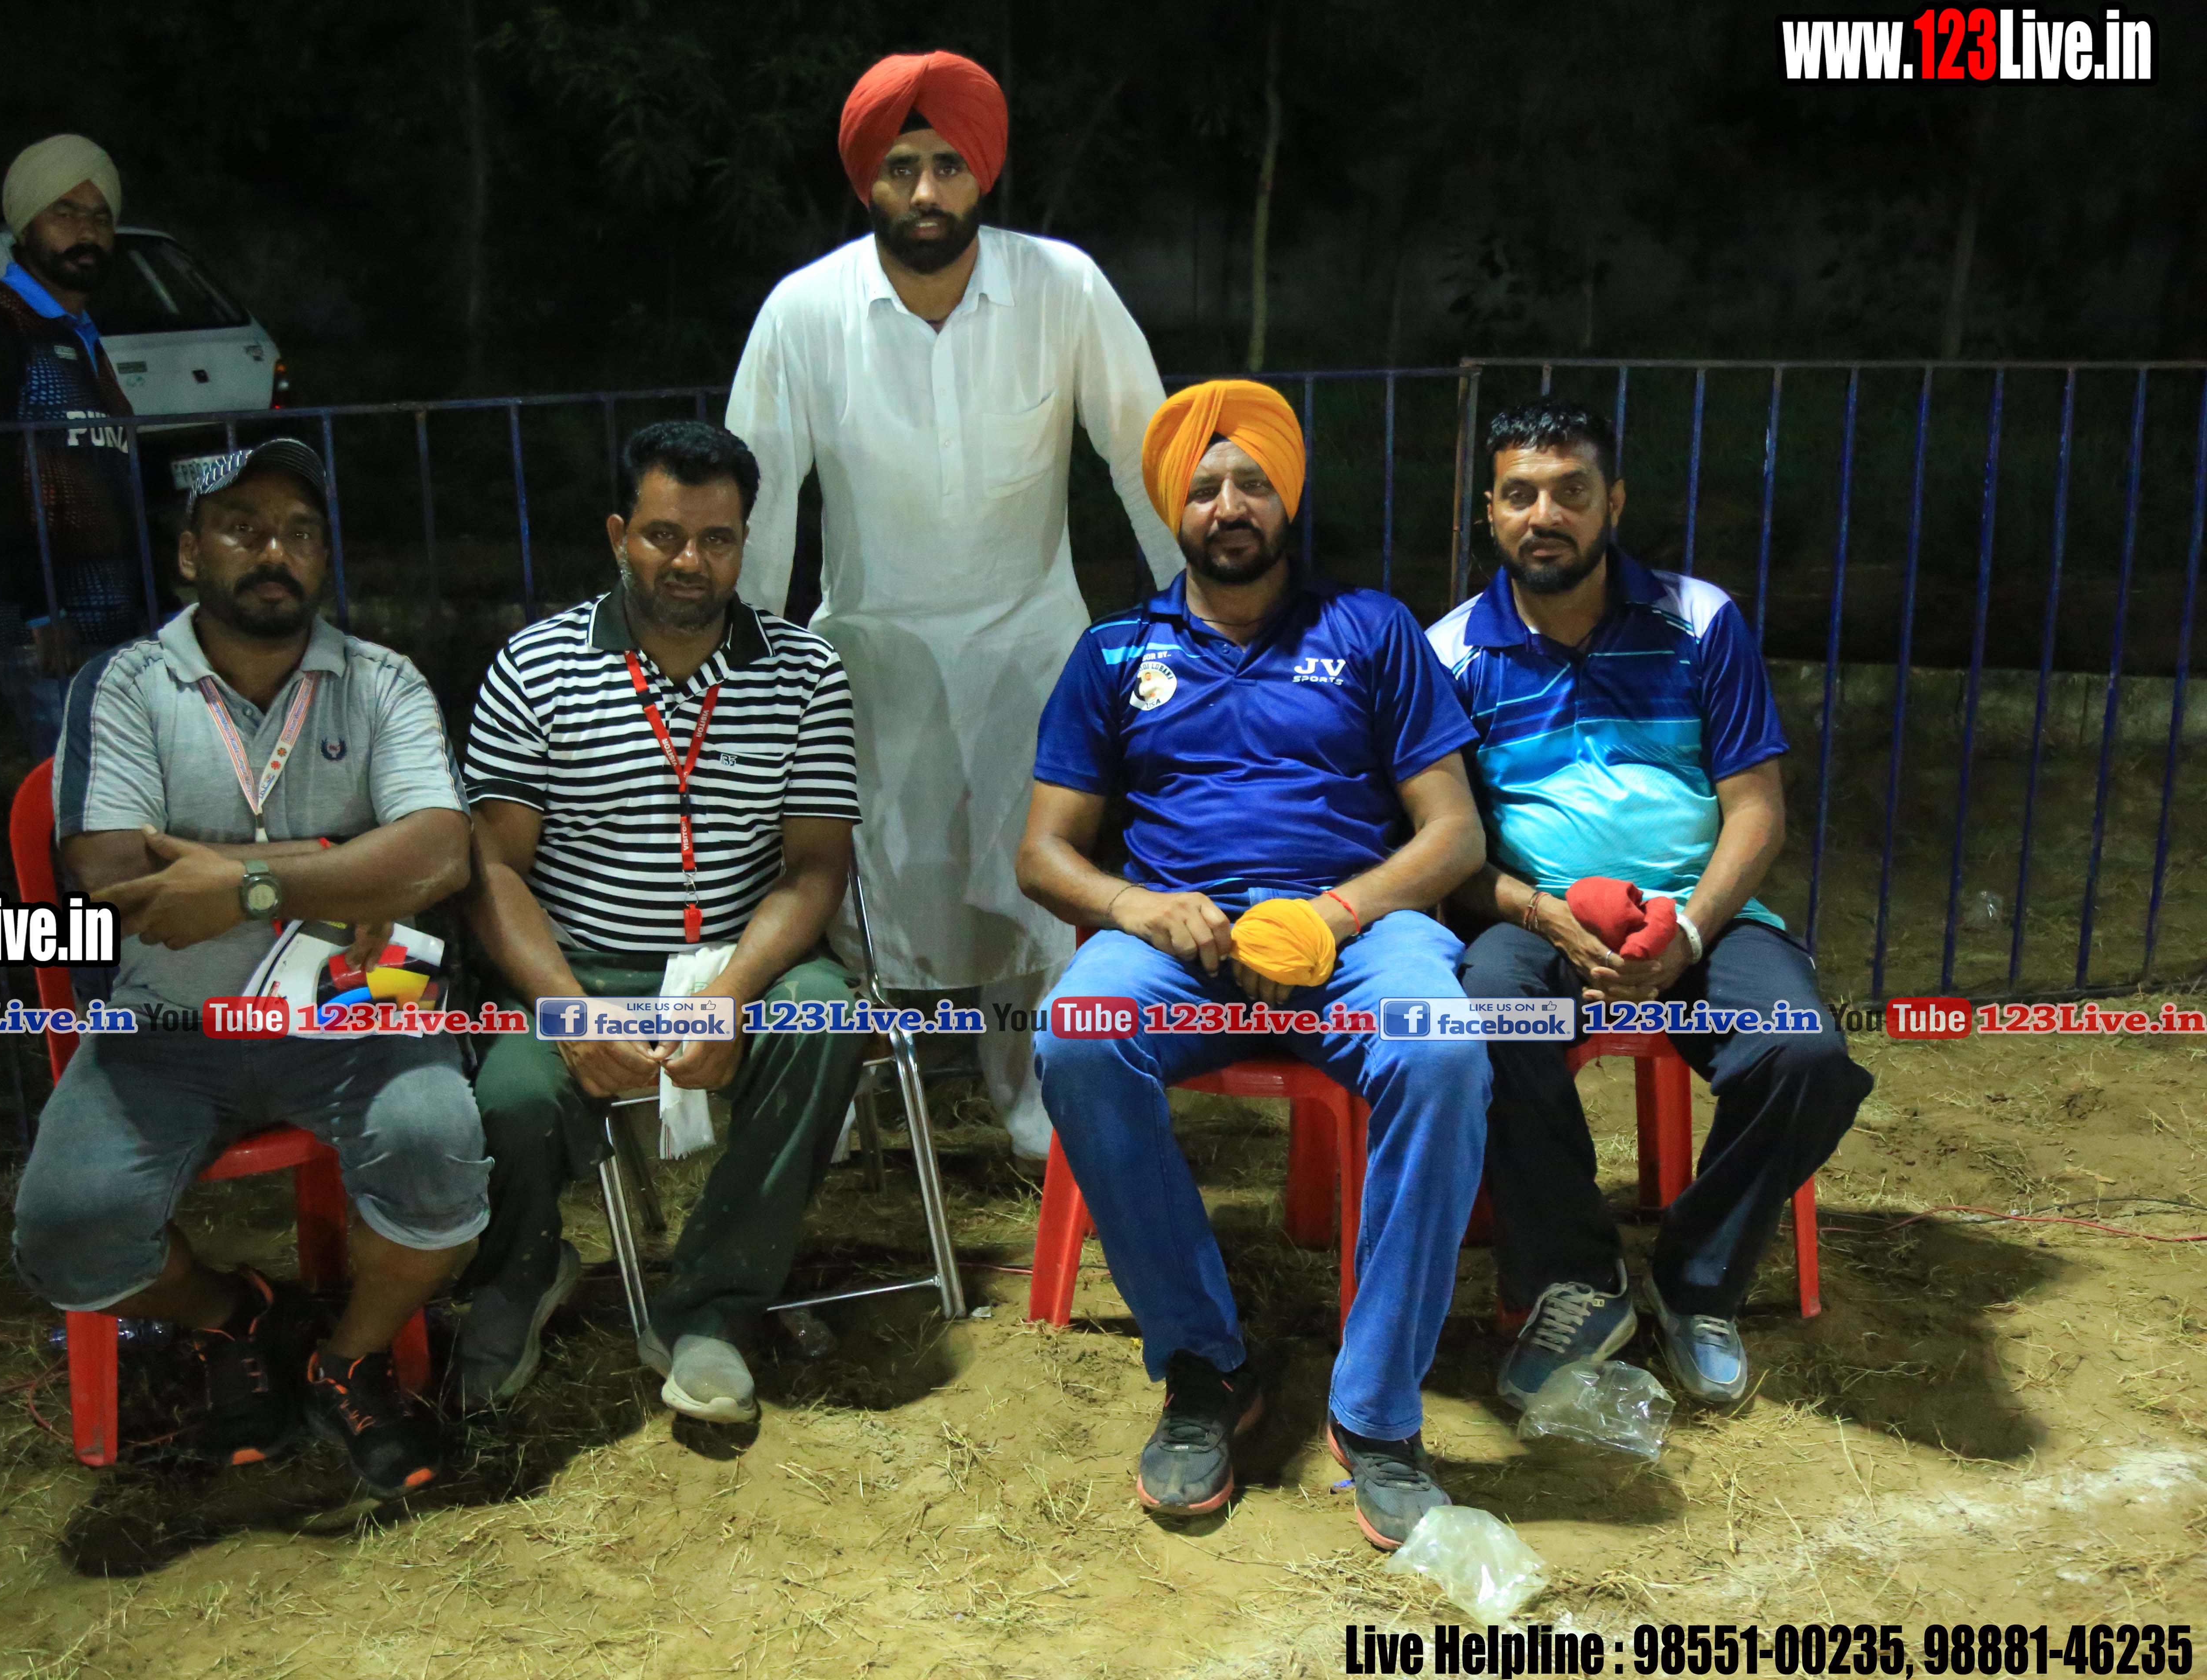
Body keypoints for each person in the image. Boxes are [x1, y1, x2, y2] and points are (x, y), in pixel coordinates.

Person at [1019, 380, 1492, 1549]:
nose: (1229, 505)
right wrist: (1137, 906)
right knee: (1075, 1036)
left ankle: (1377, 1412)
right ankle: (1204, 1365)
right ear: (1170, 508)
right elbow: (1042, 854)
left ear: (1288, 498)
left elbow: (1452, 836)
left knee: (1445, 1051)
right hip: (1183, 940)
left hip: (1355, 934)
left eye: (1253, 484)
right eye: (1204, 488)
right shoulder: (1115, 651)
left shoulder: (1372, 630)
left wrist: (1334, 914)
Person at [724, 50, 1179, 1160]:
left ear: (983, 171)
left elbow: (1149, 458)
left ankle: (1036, 1096)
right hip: (866, 660)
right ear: (865, 182)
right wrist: (745, 661)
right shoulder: (804, 311)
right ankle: (843, 1092)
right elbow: (757, 502)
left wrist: (1198, 620)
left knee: (1036, 885)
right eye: (899, 169)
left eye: (946, 166)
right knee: (857, 884)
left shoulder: (1063, 287)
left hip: (1034, 651)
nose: (924, 192)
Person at [12, 438, 487, 1498]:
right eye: (244, 528)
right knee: (68, 1235)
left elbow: (438, 855)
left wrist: (245, 885)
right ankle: (236, 1314)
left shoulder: (382, 683)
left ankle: (347, 1357)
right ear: (190, 553)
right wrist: (344, 864)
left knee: (441, 1152)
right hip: (168, 1030)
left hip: (359, 1013)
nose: (276, 552)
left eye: (301, 533)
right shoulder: (128, 684)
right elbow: (109, 867)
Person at [1429, 398, 1874, 1409]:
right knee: (1484, 1017)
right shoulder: (1449, 652)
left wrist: (1690, 931)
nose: (1546, 515)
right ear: (1490, 512)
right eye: (1520, 495)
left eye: (1572, 491)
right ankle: (1579, 1282)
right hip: (1537, 923)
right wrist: (1539, 915)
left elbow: (1757, 808)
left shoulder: (1700, 620)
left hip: (1701, 918)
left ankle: (1696, 1280)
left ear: (1614, 502)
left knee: (1804, 1056)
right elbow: (1446, 849)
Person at [456, 421, 862, 1424]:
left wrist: (730, 995)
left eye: (717, 539)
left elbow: (816, 867)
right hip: (580, 967)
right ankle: (519, 1275)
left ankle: (711, 1310)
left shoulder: (805, 672)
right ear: (618, 536)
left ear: (745, 543)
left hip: (742, 963)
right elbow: (492, 870)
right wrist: (570, 1012)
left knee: (824, 1015)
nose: (690, 561)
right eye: (664, 536)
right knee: (511, 1095)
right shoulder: (536, 666)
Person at [0, 133, 147, 760]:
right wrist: (37, 608)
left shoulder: (80, 333)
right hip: (42, 625)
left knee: (123, 792)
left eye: (101, 217)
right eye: (66, 212)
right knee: (78, 795)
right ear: (25, 226)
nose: (87, 232)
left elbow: (110, 471)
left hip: (107, 619)